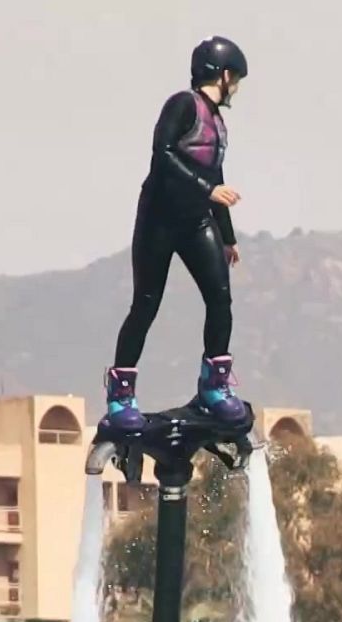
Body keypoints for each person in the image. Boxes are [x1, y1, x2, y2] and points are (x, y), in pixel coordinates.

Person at [102, 35, 250, 431]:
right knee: (146, 304)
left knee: (220, 297)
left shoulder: (218, 123)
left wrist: (228, 236)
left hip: (196, 221)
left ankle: (214, 386)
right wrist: (207, 190)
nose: (236, 87)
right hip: (159, 220)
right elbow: (162, 154)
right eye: (234, 78)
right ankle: (120, 396)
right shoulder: (183, 105)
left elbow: (216, 177)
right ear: (220, 74)